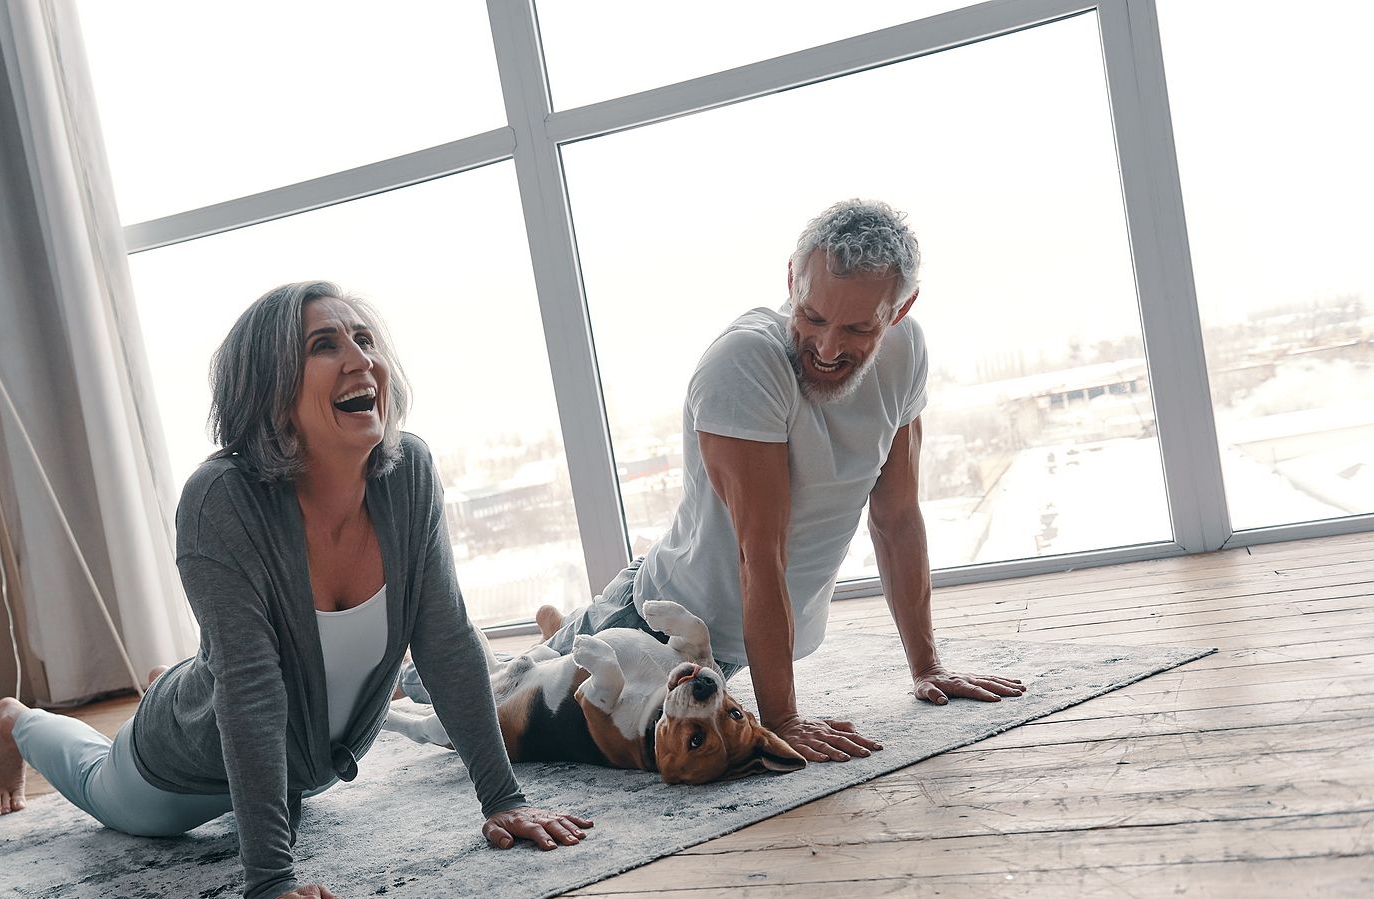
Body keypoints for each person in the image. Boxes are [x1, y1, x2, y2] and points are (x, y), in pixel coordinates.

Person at [0, 281, 593, 899]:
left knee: (243, 707)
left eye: (363, 338)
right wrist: (270, 883)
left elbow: (445, 641)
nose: (360, 359)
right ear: (269, 390)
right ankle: (20, 722)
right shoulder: (221, 499)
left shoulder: (408, 471)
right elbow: (251, 689)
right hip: (189, 764)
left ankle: (173, 681)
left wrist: (502, 798)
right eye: (324, 346)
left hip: (305, 759)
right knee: (109, 794)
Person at [404, 199, 1024, 760]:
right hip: (650, 625)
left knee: (505, 686)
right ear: (791, 280)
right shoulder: (745, 363)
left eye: (859, 329)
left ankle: (470, 664)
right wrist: (784, 718)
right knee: (485, 714)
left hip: (730, 647)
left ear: (900, 310)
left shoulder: (906, 353)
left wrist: (928, 667)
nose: (828, 347)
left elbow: (897, 520)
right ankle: (412, 677)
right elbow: (761, 552)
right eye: (811, 315)